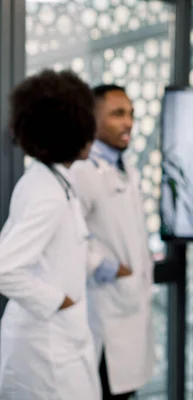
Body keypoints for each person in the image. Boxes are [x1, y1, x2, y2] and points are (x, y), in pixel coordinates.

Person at [0, 70, 101, 399]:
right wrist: (59, 301)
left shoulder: (54, 181)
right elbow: (5, 269)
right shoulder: (47, 192)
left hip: (59, 341)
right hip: (46, 349)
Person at [70, 84, 155, 399]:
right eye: (118, 114)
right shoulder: (82, 170)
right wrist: (108, 267)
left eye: (131, 114)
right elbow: (68, 235)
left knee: (124, 388)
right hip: (103, 306)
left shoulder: (125, 169)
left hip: (129, 304)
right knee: (105, 387)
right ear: (91, 119)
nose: (129, 122)